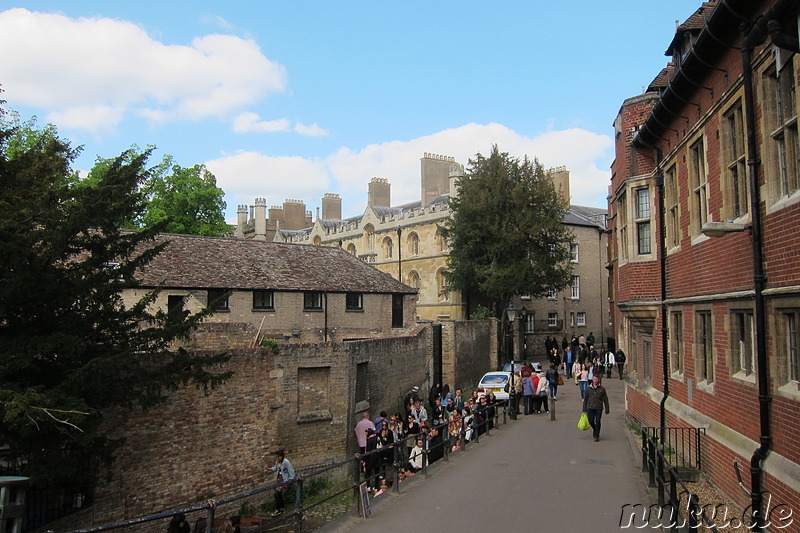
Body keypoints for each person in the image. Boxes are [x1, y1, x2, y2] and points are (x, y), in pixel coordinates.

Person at [582, 375, 610, 441]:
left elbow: (605, 399)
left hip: (598, 408)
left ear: (599, 380)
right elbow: (585, 399)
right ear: (592, 380)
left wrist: (607, 409)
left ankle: (596, 435)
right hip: (590, 407)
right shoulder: (588, 389)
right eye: (594, 379)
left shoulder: (602, 389)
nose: (595, 381)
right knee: (591, 421)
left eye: (597, 379)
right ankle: (595, 429)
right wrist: (584, 409)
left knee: (598, 421)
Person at [270, 449, 295, 516]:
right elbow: (275, 468)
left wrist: (290, 480)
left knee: (276, 494)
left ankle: (278, 509)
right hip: (279, 480)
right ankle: (282, 507)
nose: (278, 458)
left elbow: (291, 471)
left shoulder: (286, 462)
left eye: (279, 457)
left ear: (282, 456)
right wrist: (269, 469)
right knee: (278, 494)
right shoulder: (277, 462)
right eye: (277, 457)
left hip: (285, 480)